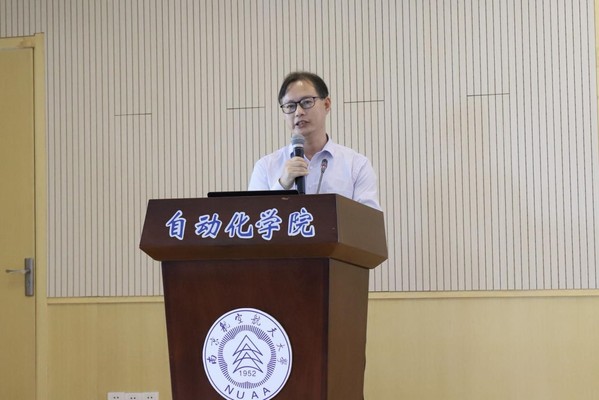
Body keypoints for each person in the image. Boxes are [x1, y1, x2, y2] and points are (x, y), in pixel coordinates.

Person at [248, 71, 381, 210]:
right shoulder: (265, 167)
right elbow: (253, 218)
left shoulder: (356, 165)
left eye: (306, 102)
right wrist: (282, 185)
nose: (298, 112)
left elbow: (369, 221)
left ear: (327, 105)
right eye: (290, 106)